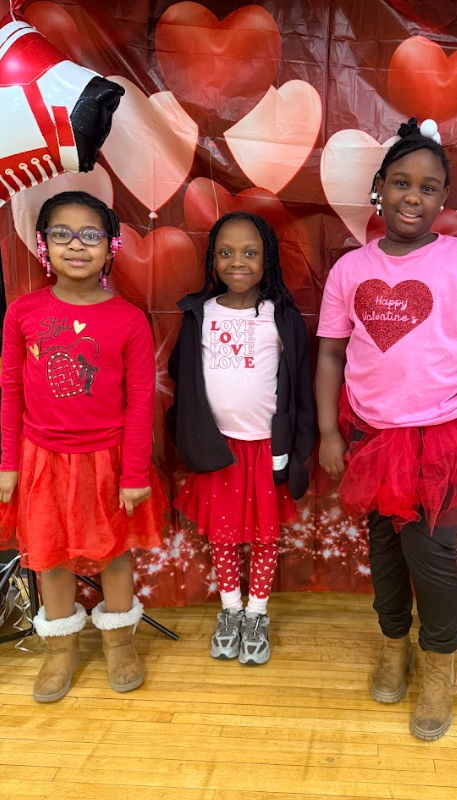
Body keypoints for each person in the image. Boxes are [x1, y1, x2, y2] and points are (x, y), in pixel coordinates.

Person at [316, 117, 457, 741]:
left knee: (430, 558)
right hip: (373, 438)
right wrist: (328, 432)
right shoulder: (352, 269)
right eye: (401, 183)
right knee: (384, 551)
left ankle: (440, 666)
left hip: (440, 439)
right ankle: (393, 645)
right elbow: (329, 354)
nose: (413, 197)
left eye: (429, 187)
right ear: (379, 188)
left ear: (443, 199)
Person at [0, 190, 165, 702]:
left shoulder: (129, 319)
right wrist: (8, 465)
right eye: (62, 234)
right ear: (43, 245)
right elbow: (10, 390)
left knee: (115, 556)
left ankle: (119, 644)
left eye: (90, 234)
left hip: (109, 461)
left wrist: (134, 473)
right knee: (49, 557)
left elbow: (140, 401)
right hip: (41, 459)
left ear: (111, 246)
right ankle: (60, 653)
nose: (77, 245)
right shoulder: (22, 312)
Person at [167, 212, 315, 666]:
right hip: (220, 449)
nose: (237, 262)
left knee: (266, 537)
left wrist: (301, 444)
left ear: (267, 260)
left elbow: (300, 383)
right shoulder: (199, 314)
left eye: (250, 253)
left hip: (268, 447)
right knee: (225, 536)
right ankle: (230, 610)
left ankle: (257, 613)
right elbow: (181, 372)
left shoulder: (282, 317)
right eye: (226, 253)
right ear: (212, 259)